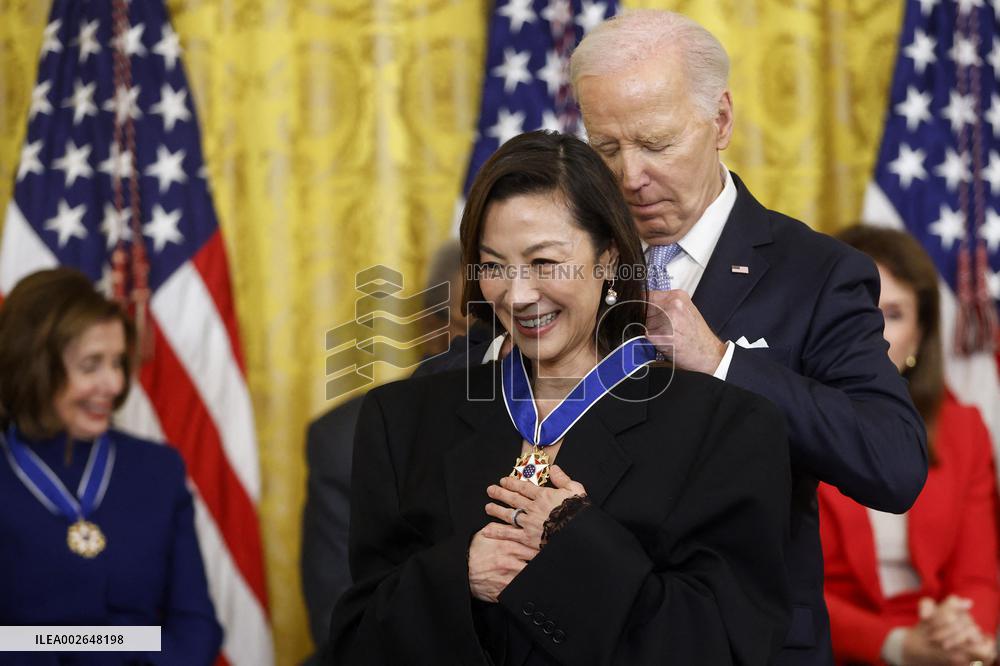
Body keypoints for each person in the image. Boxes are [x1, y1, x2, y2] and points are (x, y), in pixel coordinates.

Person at [329, 130, 793, 665]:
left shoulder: (728, 427)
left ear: (609, 258)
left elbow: (724, 646)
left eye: (545, 263)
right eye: (495, 266)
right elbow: (355, 641)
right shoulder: (401, 420)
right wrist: (460, 576)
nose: (518, 293)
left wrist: (576, 544)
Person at [565, 11, 931, 663]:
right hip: (591, 635)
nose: (629, 177)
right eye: (606, 149)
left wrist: (723, 362)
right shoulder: (568, 260)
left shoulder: (816, 272)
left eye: (656, 143)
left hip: (748, 646)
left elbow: (894, 463)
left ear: (721, 122)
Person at [0, 268, 222, 665]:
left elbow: (196, 626)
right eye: (91, 365)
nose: (115, 384)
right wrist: (117, 642)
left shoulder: (158, 470)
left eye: (118, 363)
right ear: (35, 365)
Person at [819, 225, 999, 665]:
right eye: (858, 309)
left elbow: (978, 576)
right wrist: (896, 646)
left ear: (919, 336)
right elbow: (774, 588)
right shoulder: (781, 421)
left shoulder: (963, 428)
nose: (873, 332)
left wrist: (960, 634)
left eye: (894, 314)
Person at [301, 241, 473, 660]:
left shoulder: (567, 422)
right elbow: (341, 621)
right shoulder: (348, 441)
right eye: (478, 333)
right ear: (434, 333)